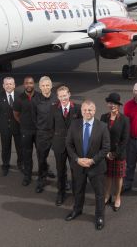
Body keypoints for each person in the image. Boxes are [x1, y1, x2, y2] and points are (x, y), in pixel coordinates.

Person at [65, 100, 110, 231]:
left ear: (94, 111)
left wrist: (92, 161)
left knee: (99, 193)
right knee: (78, 190)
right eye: (84, 110)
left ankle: (99, 216)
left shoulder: (102, 126)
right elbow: (69, 144)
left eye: (90, 110)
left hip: (96, 166)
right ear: (81, 111)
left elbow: (106, 148)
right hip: (79, 165)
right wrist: (77, 159)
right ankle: (77, 210)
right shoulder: (74, 125)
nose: (87, 112)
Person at [49, 85, 81, 206]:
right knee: (60, 170)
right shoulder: (53, 109)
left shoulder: (77, 108)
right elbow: (51, 127)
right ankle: (61, 193)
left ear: (69, 94)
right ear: (58, 97)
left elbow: (82, 127)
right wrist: (54, 142)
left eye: (65, 95)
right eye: (60, 96)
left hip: (74, 147)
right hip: (59, 145)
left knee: (75, 171)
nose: (63, 98)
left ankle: (76, 193)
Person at [100, 92, 129, 211]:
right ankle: (107, 195)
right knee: (107, 176)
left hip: (118, 153)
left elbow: (125, 139)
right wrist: (106, 152)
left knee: (118, 177)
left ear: (119, 105)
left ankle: (117, 197)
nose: (112, 105)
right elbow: (101, 135)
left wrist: (114, 153)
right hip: (106, 152)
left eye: (115, 103)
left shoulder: (124, 120)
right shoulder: (103, 117)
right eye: (110, 103)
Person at [32, 76, 58, 193]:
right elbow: (33, 118)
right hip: (42, 134)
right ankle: (41, 179)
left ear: (51, 86)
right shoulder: (35, 100)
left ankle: (62, 181)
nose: (45, 88)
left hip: (56, 134)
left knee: (60, 159)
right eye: (43, 85)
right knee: (41, 159)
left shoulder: (57, 99)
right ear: (40, 87)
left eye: (48, 85)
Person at [0, 77, 22, 176]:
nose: (8, 86)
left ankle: (20, 164)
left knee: (20, 147)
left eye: (10, 84)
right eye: (6, 84)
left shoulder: (20, 96)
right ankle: (5, 165)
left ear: (14, 85)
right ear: (3, 86)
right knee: (5, 148)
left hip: (18, 126)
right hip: (5, 127)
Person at [13, 76, 40, 186]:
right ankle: (27, 176)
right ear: (24, 85)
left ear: (34, 84)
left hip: (38, 131)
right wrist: (23, 123)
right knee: (27, 155)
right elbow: (16, 114)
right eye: (27, 83)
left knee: (41, 154)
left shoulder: (39, 96)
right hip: (26, 131)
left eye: (31, 83)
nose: (29, 85)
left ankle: (43, 174)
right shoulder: (19, 98)